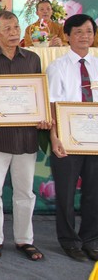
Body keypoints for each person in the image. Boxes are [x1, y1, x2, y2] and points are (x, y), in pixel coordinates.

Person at [0, 10, 51, 262]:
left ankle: (25, 240)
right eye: (7, 29)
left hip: (26, 137)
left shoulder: (32, 59)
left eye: (16, 27)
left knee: (25, 192)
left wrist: (43, 115)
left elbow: (39, 94)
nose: (13, 33)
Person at [46, 14, 98, 262]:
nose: (84, 36)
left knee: (94, 192)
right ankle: (69, 240)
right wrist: (54, 137)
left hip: (95, 141)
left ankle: (90, 239)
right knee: (65, 194)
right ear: (67, 36)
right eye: (78, 32)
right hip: (67, 140)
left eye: (88, 31)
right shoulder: (57, 67)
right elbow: (52, 105)